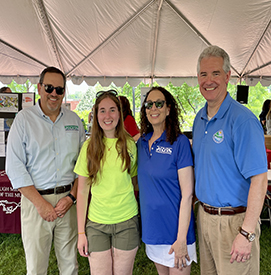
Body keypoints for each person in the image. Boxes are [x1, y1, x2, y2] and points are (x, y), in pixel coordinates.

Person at [193, 45, 268, 275]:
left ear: (227, 76)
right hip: (204, 218)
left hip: (235, 222)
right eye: (203, 74)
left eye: (215, 73)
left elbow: (260, 179)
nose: (209, 80)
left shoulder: (243, 120)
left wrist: (246, 233)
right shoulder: (199, 119)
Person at [6, 66, 85, 275]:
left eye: (59, 90)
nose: (54, 94)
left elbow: (83, 167)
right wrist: (41, 204)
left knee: (70, 266)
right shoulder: (24, 120)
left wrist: (71, 198)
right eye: (49, 87)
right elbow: (14, 167)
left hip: (67, 203)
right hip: (35, 203)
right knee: (36, 267)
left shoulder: (74, 121)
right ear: (39, 87)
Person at [74, 89, 140, 275]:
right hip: (96, 224)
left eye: (112, 109)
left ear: (120, 113)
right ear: (95, 115)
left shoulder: (130, 144)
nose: (107, 115)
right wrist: (81, 233)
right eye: (102, 110)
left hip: (127, 221)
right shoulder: (88, 147)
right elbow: (82, 192)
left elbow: (134, 181)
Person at [137, 86, 197, 275]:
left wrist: (181, 239)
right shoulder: (140, 143)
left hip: (176, 233)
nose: (153, 108)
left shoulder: (179, 143)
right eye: (149, 104)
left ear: (168, 109)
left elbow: (187, 194)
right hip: (153, 231)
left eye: (159, 103)